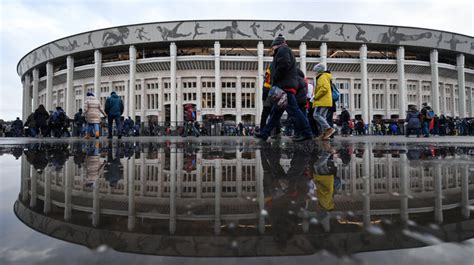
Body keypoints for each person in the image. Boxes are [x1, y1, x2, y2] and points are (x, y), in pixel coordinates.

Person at [255, 34, 313, 142]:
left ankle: (307, 133)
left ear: (276, 45)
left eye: (273, 47)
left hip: (285, 87)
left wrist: (275, 78)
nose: (272, 50)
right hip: (285, 86)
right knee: (275, 114)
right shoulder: (284, 50)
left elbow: (284, 65)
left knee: (294, 111)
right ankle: (264, 134)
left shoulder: (283, 49)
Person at [311, 63, 336, 140]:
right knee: (322, 117)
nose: (314, 72)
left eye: (315, 71)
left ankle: (329, 129)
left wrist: (315, 97)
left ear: (318, 71)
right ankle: (325, 134)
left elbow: (324, 88)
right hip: (326, 100)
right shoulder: (325, 76)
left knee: (316, 115)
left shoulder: (322, 77)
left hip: (321, 101)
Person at [259, 64, 281, 139]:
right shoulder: (276, 67)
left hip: (269, 93)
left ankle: (262, 131)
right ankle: (277, 132)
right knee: (274, 113)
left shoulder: (272, 67)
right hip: (274, 92)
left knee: (265, 114)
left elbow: (269, 81)